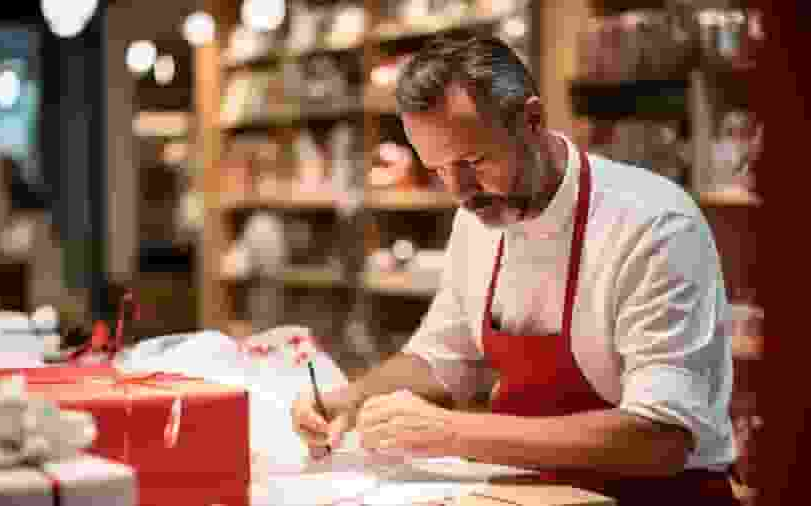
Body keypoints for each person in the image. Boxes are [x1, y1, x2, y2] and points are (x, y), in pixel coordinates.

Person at [292, 32, 737, 505]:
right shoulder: (477, 221)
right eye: (438, 170)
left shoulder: (653, 225)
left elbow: (660, 440)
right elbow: (445, 356)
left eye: (473, 161)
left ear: (532, 120)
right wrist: (353, 399)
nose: (460, 192)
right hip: (540, 493)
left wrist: (453, 432)